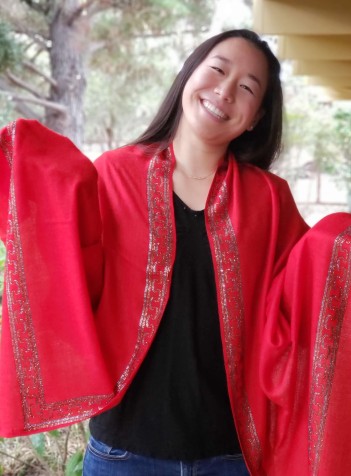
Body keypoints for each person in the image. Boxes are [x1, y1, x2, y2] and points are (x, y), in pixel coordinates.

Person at [0, 29, 350, 476]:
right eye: (218, 70)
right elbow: (70, 269)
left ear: (256, 116)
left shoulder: (269, 199)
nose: (224, 91)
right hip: (123, 455)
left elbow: (305, 296)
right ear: (189, 74)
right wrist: (26, 167)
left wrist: (340, 244)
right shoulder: (115, 174)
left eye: (246, 87)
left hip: (231, 458)